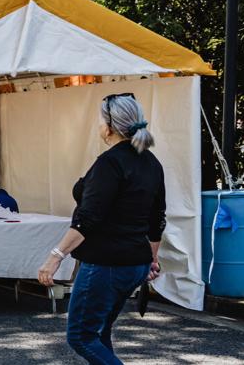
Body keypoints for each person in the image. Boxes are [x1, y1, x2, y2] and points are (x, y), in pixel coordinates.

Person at [38, 93, 165, 364]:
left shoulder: (110, 163)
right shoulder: (151, 163)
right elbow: (157, 220)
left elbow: (87, 219)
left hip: (106, 264)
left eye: (99, 120)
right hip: (134, 264)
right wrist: (152, 258)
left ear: (109, 126)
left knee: (81, 337)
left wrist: (54, 257)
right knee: (100, 333)